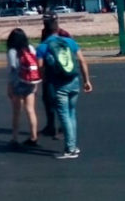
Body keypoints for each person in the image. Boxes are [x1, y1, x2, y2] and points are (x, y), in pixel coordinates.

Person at [37, 17, 93, 159]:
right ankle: (73, 145)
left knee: (64, 116)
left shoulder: (43, 47)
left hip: (58, 84)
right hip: (74, 80)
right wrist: (87, 80)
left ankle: (70, 149)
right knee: (72, 113)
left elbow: (40, 67)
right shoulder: (70, 42)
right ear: (57, 28)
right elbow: (82, 61)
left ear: (45, 30)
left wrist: (44, 80)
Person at [39, 12, 72, 139]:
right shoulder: (44, 33)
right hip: (48, 71)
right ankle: (50, 126)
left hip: (60, 71)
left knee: (60, 101)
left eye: (47, 20)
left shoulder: (63, 34)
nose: (45, 23)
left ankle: (63, 129)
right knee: (47, 100)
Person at [6, 28, 40, 146]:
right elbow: (35, 65)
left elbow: (12, 68)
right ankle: (34, 136)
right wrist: (35, 84)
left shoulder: (12, 51)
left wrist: (9, 86)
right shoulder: (30, 48)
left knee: (16, 112)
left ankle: (15, 138)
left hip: (17, 83)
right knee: (31, 110)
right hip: (30, 82)